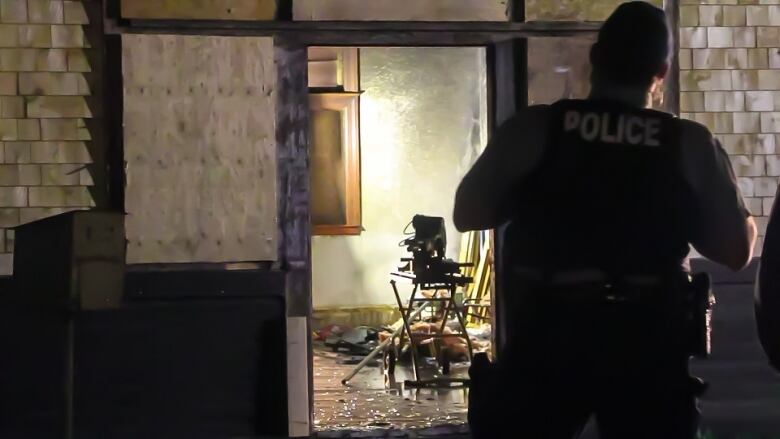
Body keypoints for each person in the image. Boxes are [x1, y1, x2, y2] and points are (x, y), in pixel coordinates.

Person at [453, 2, 758, 438]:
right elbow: (735, 252)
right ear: (663, 70)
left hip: (547, 338)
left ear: (595, 58)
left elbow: (468, 214)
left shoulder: (536, 129)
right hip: (647, 344)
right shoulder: (687, 143)